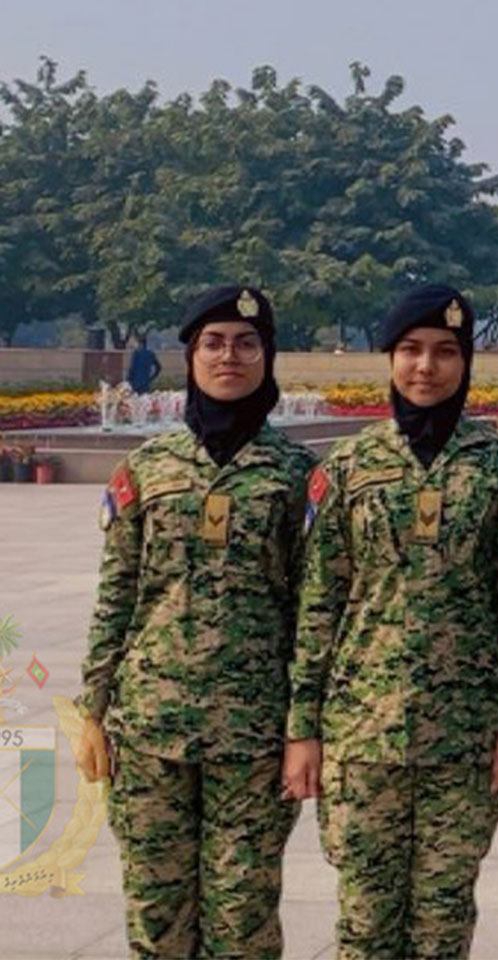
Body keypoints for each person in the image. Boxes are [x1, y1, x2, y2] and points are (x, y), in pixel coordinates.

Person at [282, 285, 498, 960]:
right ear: (390, 359)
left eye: (445, 353)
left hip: (465, 737)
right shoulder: (347, 468)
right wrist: (302, 730)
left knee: (442, 923)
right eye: (410, 351)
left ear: (465, 364)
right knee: (365, 923)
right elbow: (319, 606)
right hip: (361, 734)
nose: (426, 368)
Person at [75, 285, 314, 958]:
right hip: (149, 730)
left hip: (254, 734)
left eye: (245, 343)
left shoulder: (298, 475)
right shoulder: (147, 468)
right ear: (191, 356)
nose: (228, 356)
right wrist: (91, 709)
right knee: (156, 916)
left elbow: (313, 609)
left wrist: (305, 727)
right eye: (213, 343)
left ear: (267, 356)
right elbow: (117, 592)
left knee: (244, 922)